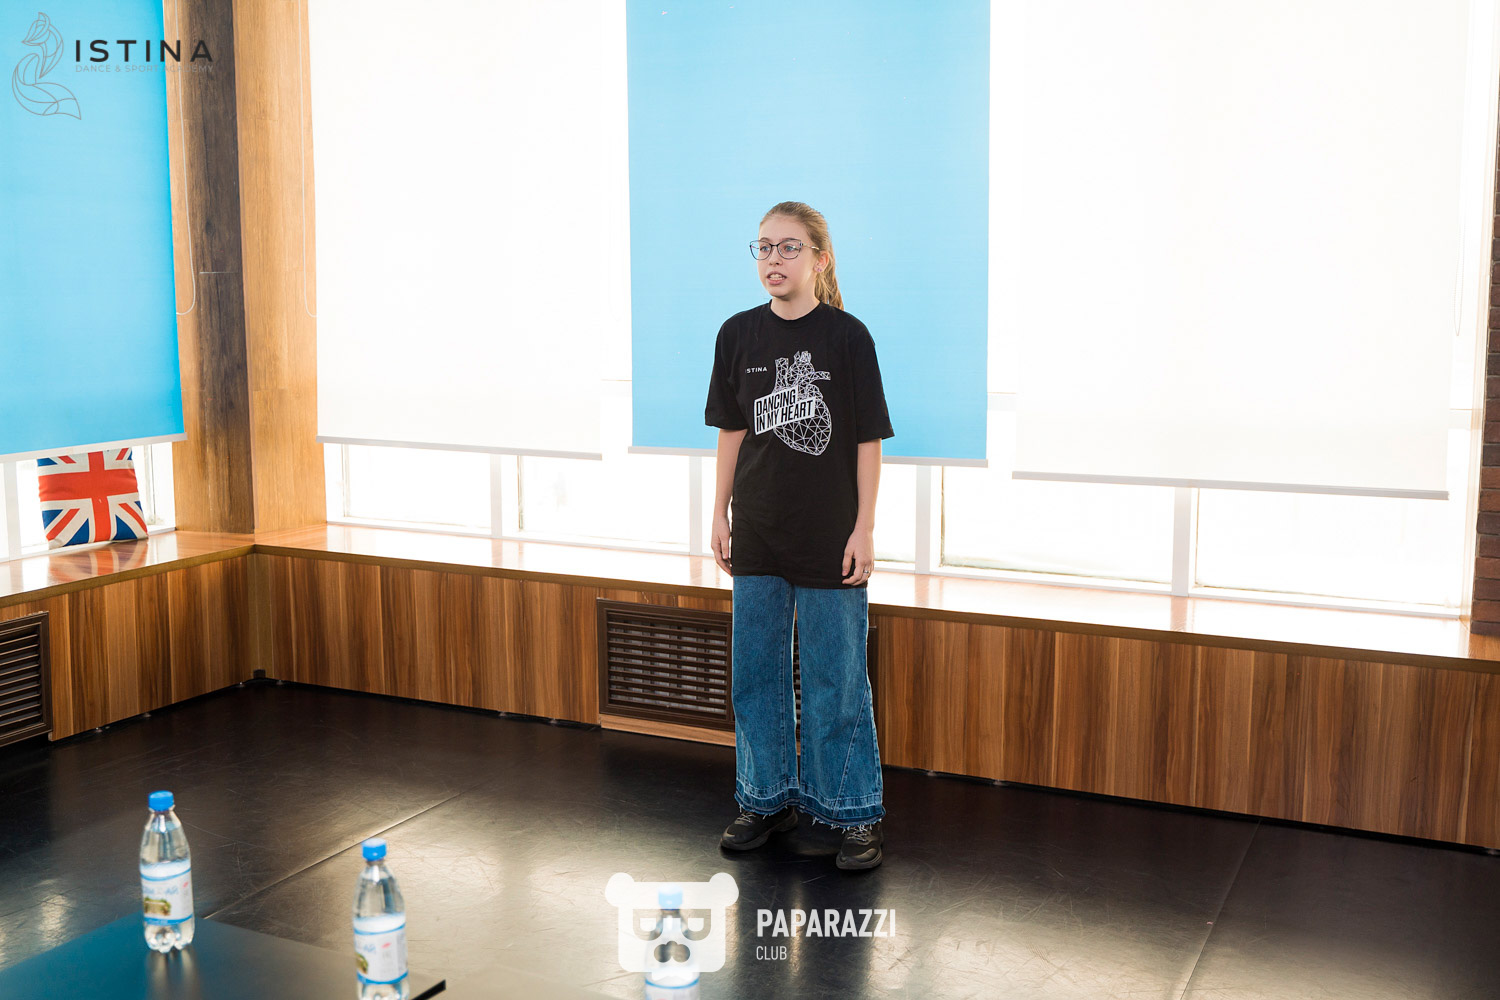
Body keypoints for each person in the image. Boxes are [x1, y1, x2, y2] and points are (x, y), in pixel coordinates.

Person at [702, 201, 895, 871]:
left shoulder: (848, 337)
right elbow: (732, 433)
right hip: (757, 531)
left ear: (820, 258)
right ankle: (765, 800)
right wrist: (719, 513)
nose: (773, 259)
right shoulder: (736, 334)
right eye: (763, 247)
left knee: (836, 681)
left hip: (829, 536)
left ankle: (853, 812)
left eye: (788, 247)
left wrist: (864, 528)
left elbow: (868, 441)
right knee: (756, 676)